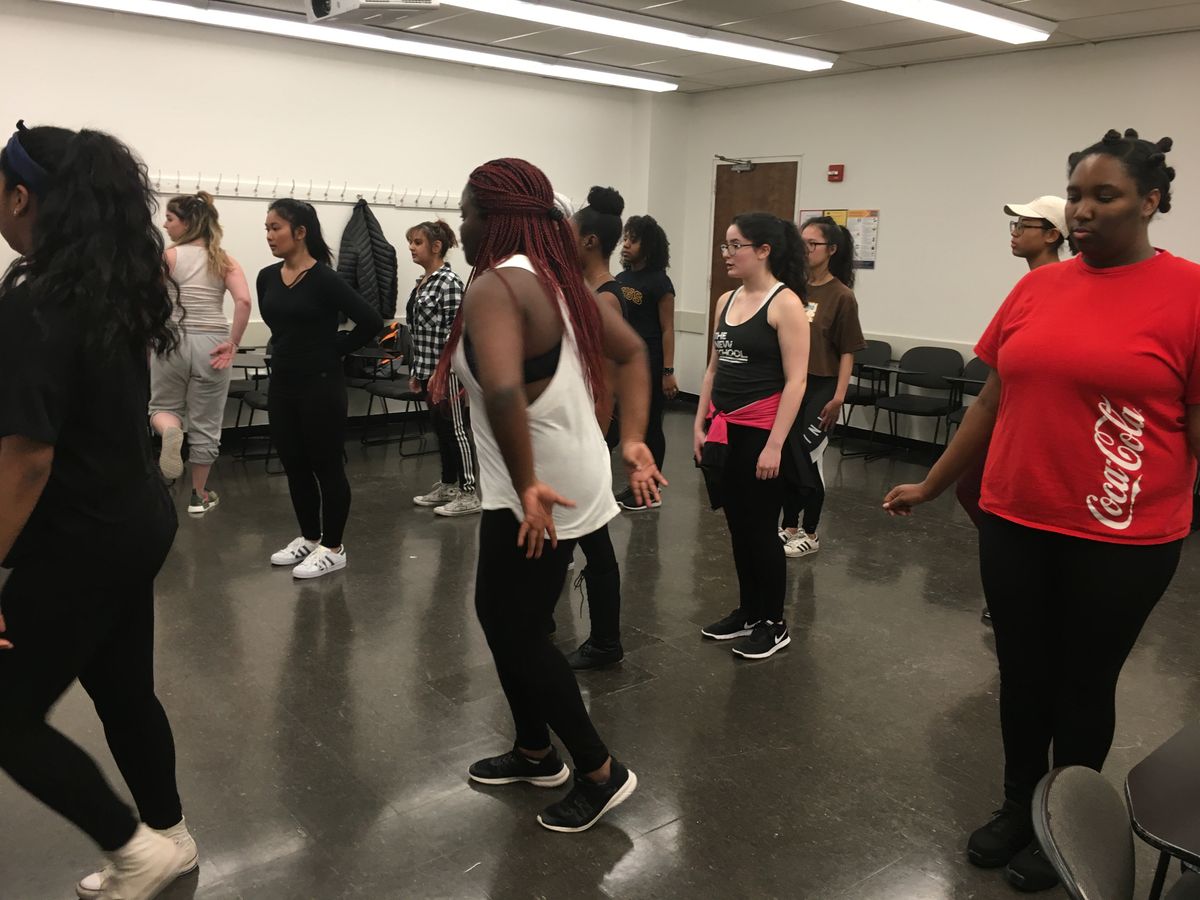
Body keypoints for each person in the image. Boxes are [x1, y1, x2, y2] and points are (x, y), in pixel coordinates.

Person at [884, 129, 1196, 893]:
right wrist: (932, 483)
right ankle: (1018, 806)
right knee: (1023, 676)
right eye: (1077, 196)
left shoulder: (1190, 294)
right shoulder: (1036, 289)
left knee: (1083, 683)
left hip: (1122, 536)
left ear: (1151, 201)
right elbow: (991, 401)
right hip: (1016, 519)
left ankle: (1069, 825)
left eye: (1105, 196)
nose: (1082, 211)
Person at [431, 158, 664, 832]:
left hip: (538, 485)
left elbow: (504, 389)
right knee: (508, 617)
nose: (462, 227)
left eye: (467, 213)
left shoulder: (497, 285)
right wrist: (632, 439)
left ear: (495, 218)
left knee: (517, 627)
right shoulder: (554, 279)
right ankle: (535, 750)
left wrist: (528, 482)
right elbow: (633, 353)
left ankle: (599, 771)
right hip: (554, 472)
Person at [0, 121, 196, 900]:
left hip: (80, 536)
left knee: (5, 715)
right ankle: (170, 837)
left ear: (22, 197)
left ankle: (135, 850)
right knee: (121, 691)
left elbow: (28, 458)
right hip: (132, 520)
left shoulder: (36, 299)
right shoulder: (107, 287)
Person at [695, 212, 811, 660]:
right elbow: (713, 370)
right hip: (724, 430)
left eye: (735, 245)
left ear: (763, 250)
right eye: (725, 245)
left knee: (761, 531)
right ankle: (748, 611)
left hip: (762, 432)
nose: (727, 254)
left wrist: (775, 445)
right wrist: (700, 424)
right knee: (737, 527)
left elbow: (796, 381)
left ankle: (774, 623)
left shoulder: (786, 304)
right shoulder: (725, 300)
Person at [956, 195, 1067, 622]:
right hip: (1007, 415)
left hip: (1040, 423)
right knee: (973, 489)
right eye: (1014, 225)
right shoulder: (1029, 286)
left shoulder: (1061, 285)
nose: (1015, 233)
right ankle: (1024, 575)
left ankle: (1033, 581)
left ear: (1053, 235)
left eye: (1024, 225)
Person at [258, 199, 383, 579]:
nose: (269, 235)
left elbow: (371, 321)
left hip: (321, 385)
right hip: (283, 384)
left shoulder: (325, 279)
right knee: (295, 465)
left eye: (276, 228)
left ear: (300, 232)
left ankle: (334, 547)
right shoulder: (267, 277)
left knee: (326, 465)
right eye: (267, 228)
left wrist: (335, 350)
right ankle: (310, 537)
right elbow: (280, 328)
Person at [151, 191, 252, 514]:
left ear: (187, 223)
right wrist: (233, 343)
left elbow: (148, 301)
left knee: (163, 408)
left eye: (170, 219)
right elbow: (243, 301)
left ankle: (170, 431)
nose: (165, 225)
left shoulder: (168, 257)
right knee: (207, 421)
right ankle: (199, 496)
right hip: (213, 343)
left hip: (172, 340)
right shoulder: (224, 260)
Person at [778, 216, 866, 559]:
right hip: (792, 384)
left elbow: (847, 352)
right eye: (801, 243)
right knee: (788, 456)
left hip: (822, 386)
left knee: (808, 457)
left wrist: (839, 397)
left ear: (831, 250)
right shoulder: (792, 290)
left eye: (812, 244)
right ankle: (789, 526)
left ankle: (811, 532)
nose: (805, 249)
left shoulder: (842, 296)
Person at [567, 185, 628, 670]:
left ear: (589, 241)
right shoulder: (584, 291)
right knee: (566, 533)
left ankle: (606, 640)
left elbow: (607, 380)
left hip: (587, 433)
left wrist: (593, 438)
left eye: (569, 233)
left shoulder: (606, 298)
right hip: (573, 428)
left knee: (593, 537)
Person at [404, 219, 480, 517]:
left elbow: (456, 332)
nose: (411, 248)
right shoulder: (424, 282)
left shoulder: (448, 283)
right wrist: (418, 371)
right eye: (410, 242)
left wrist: (442, 370)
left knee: (455, 430)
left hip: (447, 372)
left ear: (436, 247)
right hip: (427, 369)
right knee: (440, 429)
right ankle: (449, 484)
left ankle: (469, 492)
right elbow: (419, 332)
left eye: (417, 242)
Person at [615, 214, 675, 510]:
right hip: (623, 362)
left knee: (650, 424)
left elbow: (668, 329)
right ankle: (635, 484)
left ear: (648, 245)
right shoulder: (620, 279)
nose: (626, 245)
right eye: (625, 238)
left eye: (633, 240)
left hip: (650, 360)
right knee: (625, 423)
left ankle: (651, 491)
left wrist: (668, 371)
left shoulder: (660, 282)